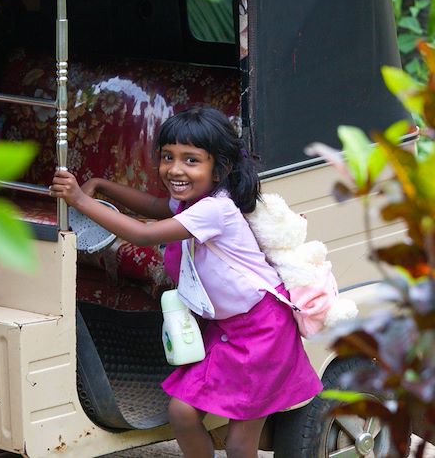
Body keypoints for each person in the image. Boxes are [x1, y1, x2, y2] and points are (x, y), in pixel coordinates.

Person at [50, 107, 322, 457]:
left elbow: (144, 234)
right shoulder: (193, 201)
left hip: (262, 331)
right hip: (227, 329)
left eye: (191, 160)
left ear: (219, 168)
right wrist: (103, 186)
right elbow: (152, 205)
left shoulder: (215, 210)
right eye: (168, 157)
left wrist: (81, 200)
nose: (175, 169)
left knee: (241, 444)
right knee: (181, 412)